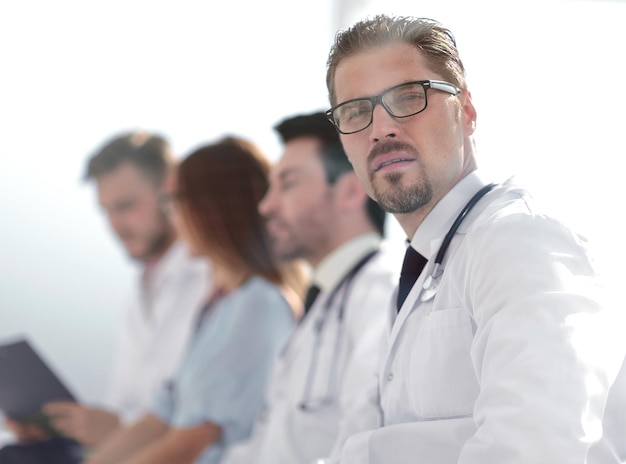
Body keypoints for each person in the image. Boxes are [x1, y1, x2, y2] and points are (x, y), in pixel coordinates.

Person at [323, 13, 626, 463]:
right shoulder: (418, 271)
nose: (381, 128)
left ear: (466, 112)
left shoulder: (521, 238)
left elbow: (533, 450)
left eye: (409, 97)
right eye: (355, 112)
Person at [84, 135, 305, 464]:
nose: (173, 216)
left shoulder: (259, 305)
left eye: (176, 202)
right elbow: (158, 417)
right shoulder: (220, 306)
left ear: (213, 209)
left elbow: (186, 446)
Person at [0, 131, 211, 463]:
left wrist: (113, 431)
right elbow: (124, 403)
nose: (115, 224)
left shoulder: (211, 282)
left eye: (126, 206)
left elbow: (197, 423)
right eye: (106, 210)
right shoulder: (140, 295)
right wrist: (67, 428)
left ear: (169, 192)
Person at [221, 111, 402, 464]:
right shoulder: (319, 306)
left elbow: (366, 444)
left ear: (350, 191)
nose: (266, 206)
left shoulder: (384, 290)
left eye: (287, 184)